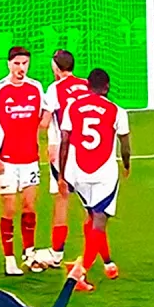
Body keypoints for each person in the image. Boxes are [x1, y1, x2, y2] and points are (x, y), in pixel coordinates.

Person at [59, 68, 131, 292]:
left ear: (87, 85)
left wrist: (62, 174)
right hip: (103, 174)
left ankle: (108, 263)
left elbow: (64, 140)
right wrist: (127, 164)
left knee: (91, 216)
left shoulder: (73, 107)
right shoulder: (117, 111)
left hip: (77, 172)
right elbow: (125, 145)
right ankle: (80, 272)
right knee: (100, 220)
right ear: (107, 87)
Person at [0, 47, 49, 276]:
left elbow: (46, 111)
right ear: (9, 64)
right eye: (17, 63)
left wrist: (43, 129)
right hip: (7, 161)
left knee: (29, 206)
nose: (21, 68)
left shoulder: (35, 87)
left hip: (30, 159)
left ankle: (29, 254)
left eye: (25, 63)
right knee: (9, 209)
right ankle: (9, 258)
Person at [37, 49, 90, 269]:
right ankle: (91, 253)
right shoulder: (87, 84)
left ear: (56, 68)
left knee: (62, 198)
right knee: (90, 204)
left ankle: (57, 253)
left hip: (64, 150)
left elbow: (45, 122)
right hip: (89, 150)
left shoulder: (55, 89)